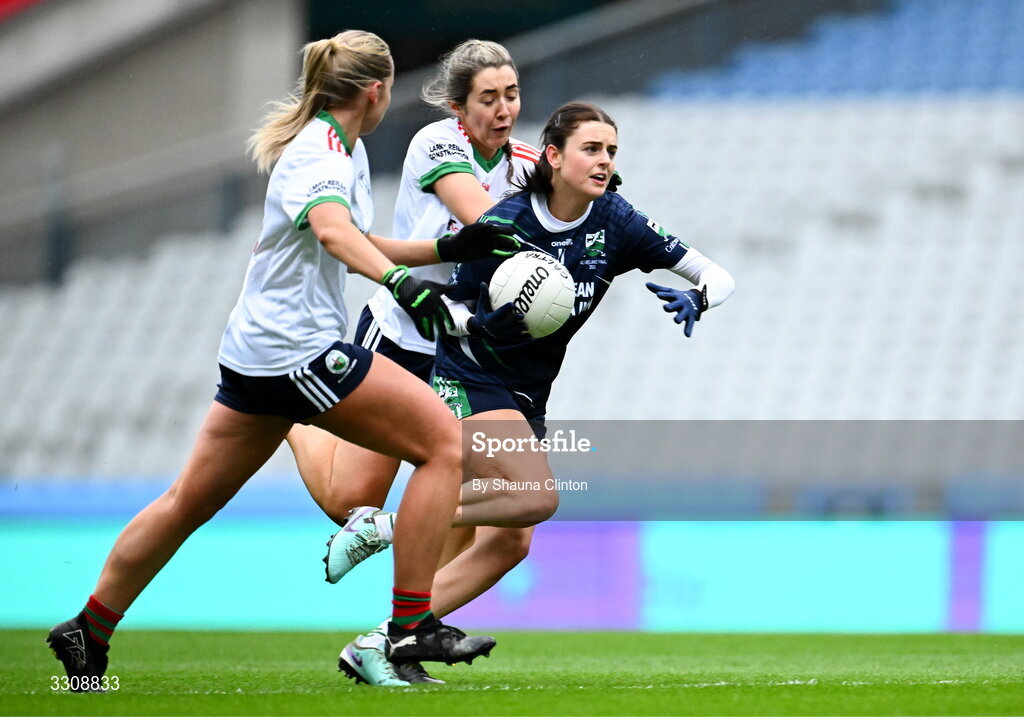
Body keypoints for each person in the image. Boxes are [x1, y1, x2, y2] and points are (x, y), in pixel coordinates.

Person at [45, 30, 520, 692]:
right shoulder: (324, 156)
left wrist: (438, 255)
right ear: (377, 91)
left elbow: (356, 237)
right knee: (443, 443)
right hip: (299, 350)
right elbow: (332, 230)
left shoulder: (337, 146)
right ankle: (411, 626)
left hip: (258, 353)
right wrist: (400, 285)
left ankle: (88, 628)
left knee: (188, 502)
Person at [317, 100, 736, 684]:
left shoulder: (616, 221)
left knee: (510, 542)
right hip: (469, 375)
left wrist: (700, 297)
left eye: (611, 151)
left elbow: (719, 275)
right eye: (591, 149)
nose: (604, 160)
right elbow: (452, 310)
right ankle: (383, 528)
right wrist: (477, 325)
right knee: (537, 496)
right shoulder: (504, 223)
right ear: (554, 156)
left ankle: (383, 644)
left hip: (527, 394)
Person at [284, 38, 546, 686]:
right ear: (458, 106)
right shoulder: (438, 144)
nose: (504, 107)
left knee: (509, 528)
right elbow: (481, 217)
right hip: (405, 338)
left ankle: (388, 640)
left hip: (470, 363)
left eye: (511, 94)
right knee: (350, 498)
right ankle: (290, 418)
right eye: (489, 97)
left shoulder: (526, 163)